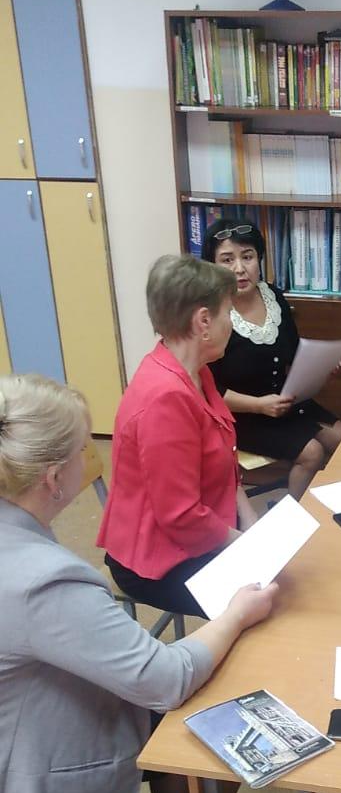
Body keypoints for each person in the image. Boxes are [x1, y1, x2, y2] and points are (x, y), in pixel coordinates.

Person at [0, 374, 278, 793]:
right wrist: (236, 614)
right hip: (26, 743)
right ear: (53, 478)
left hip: (20, 697)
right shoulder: (43, 580)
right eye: (84, 450)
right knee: (220, 699)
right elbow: (166, 680)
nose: (90, 459)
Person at [99, 254, 257, 617]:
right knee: (260, 604)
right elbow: (180, 516)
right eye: (228, 313)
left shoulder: (197, 372)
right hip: (157, 559)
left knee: (280, 582)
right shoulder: (165, 400)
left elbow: (224, 459)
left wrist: (249, 519)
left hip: (197, 531)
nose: (232, 324)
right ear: (203, 321)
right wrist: (243, 545)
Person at [201, 219, 341, 499]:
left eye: (248, 257)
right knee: (312, 453)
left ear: (259, 259)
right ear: (212, 266)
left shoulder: (272, 296)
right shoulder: (211, 314)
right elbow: (208, 391)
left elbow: (293, 353)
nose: (240, 269)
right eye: (227, 260)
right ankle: (293, 518)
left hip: (283, 403)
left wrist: (320, 369)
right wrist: (258, 405)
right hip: (242, 415)